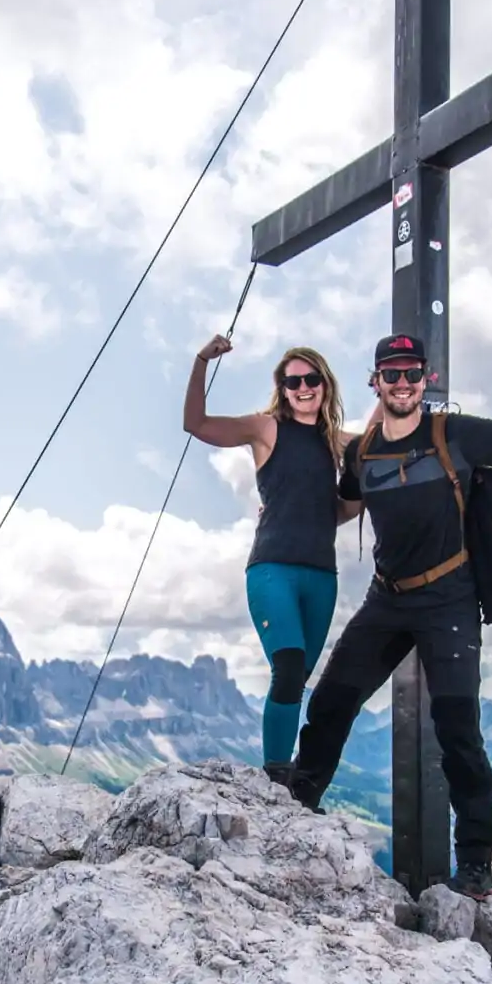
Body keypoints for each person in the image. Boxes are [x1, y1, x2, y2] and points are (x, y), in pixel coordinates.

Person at [289, 330, 492, 900]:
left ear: (426, 380)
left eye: (413, 373)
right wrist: (285, 516)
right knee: (332, 700)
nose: (404, 383)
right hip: (387, 598)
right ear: (376, 382)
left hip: (449, 597)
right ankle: (299, 801)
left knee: (459, 729)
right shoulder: (362, 452)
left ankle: (477, 861)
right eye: (392, 374)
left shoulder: (453, 433)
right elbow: (347, 506)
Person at [184, 336, 362, 786]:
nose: (303, 387)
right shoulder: (265, 429)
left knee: (297, 679)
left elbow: (336, 512)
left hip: (322, 576)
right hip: (272, 570)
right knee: (286, 667)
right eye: (292, 381)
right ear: (282, 389)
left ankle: (287, 777)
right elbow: (197, 423)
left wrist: (359, 494)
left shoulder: (339, 443)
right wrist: (202, 360)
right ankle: (276, 778)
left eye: (311, 379)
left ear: (325, 384)